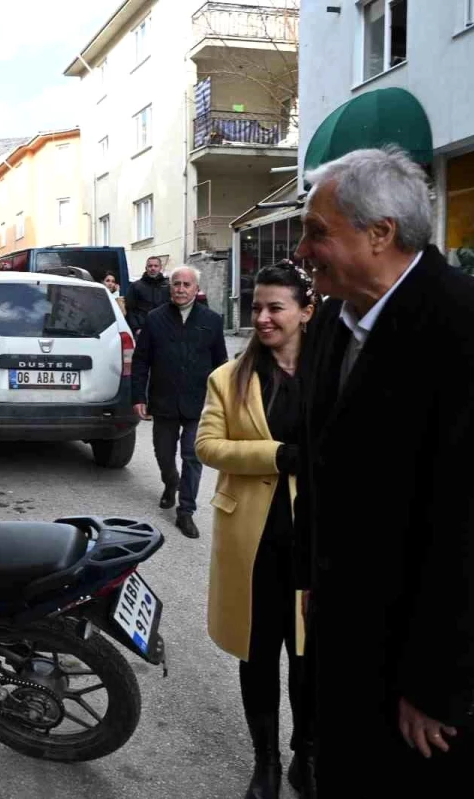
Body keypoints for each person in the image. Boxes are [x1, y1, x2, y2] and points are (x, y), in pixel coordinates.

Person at [292, 146, 474, 798]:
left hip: (433, 694)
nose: (301, 249)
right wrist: (310, 575)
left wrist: (440, 685)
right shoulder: (330, 327)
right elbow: (321, 469)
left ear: (381, 234)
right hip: (350, 654)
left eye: (318, 231)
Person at [196, 263, 317, 799]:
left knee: (312, 659)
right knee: (259, 653)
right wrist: (277, 456)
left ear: (305, 312)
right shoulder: (229, 377)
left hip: (319, 541)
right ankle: (264, 761)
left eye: (276, 308)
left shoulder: (331, 375)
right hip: (254, 539)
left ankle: (305, 757)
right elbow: (207, 447)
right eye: (257, 308)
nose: (263, 318)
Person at [132, 266, 228, 538]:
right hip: (163, 401)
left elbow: (222, 363)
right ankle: (170, 482)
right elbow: (141, 361)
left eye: (187, 284)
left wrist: (224, 399)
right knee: (164, 454)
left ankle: (186, 511)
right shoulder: (154, 319)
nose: (181, 289)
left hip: (199, 402)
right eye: (176, 284)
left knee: (192, 455)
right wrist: (138, 396)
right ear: (169, 287)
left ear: (196, 289)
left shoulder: (212, 320)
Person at [124, 255, 170, 334]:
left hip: (164, 329)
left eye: (156, 266)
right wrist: (136, 329)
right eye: (150, 266)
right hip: (143, 330)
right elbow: (130, 309)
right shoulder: (136, 286)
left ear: (160, 268)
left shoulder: (168, 286)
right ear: (146, 268)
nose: (153, 268)